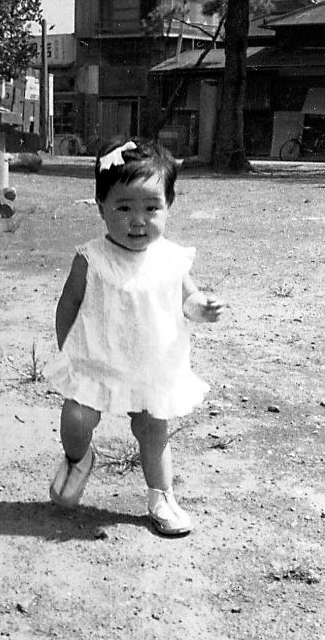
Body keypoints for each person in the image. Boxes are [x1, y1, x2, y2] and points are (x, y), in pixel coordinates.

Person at [46, 137, 224, 535]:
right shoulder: (91, 257)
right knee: (77, 417)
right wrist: (68, 352)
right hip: (97, 360)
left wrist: (201, 308)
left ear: (169, 206)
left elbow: (187, 298)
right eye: (124, 208)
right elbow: (68, 303)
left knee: (152, 431)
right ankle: (78, 459)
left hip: (151, 366)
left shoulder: (171, 259)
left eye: (151, 208)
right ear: (101, 208)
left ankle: (161, 495)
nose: (138, 220)